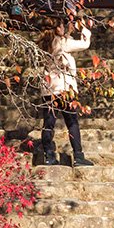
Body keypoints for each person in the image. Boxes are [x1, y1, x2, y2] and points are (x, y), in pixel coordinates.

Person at [38, 18, 94, 167]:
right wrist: (83, 29)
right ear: (58, 29)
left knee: (48, 124)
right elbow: (85, 44)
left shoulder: (42, 43)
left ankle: (49, 156)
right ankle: (78, 156)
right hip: (64, 89)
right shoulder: (63, 43)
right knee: (72, 123)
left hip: (48, 89)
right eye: (62, 26)